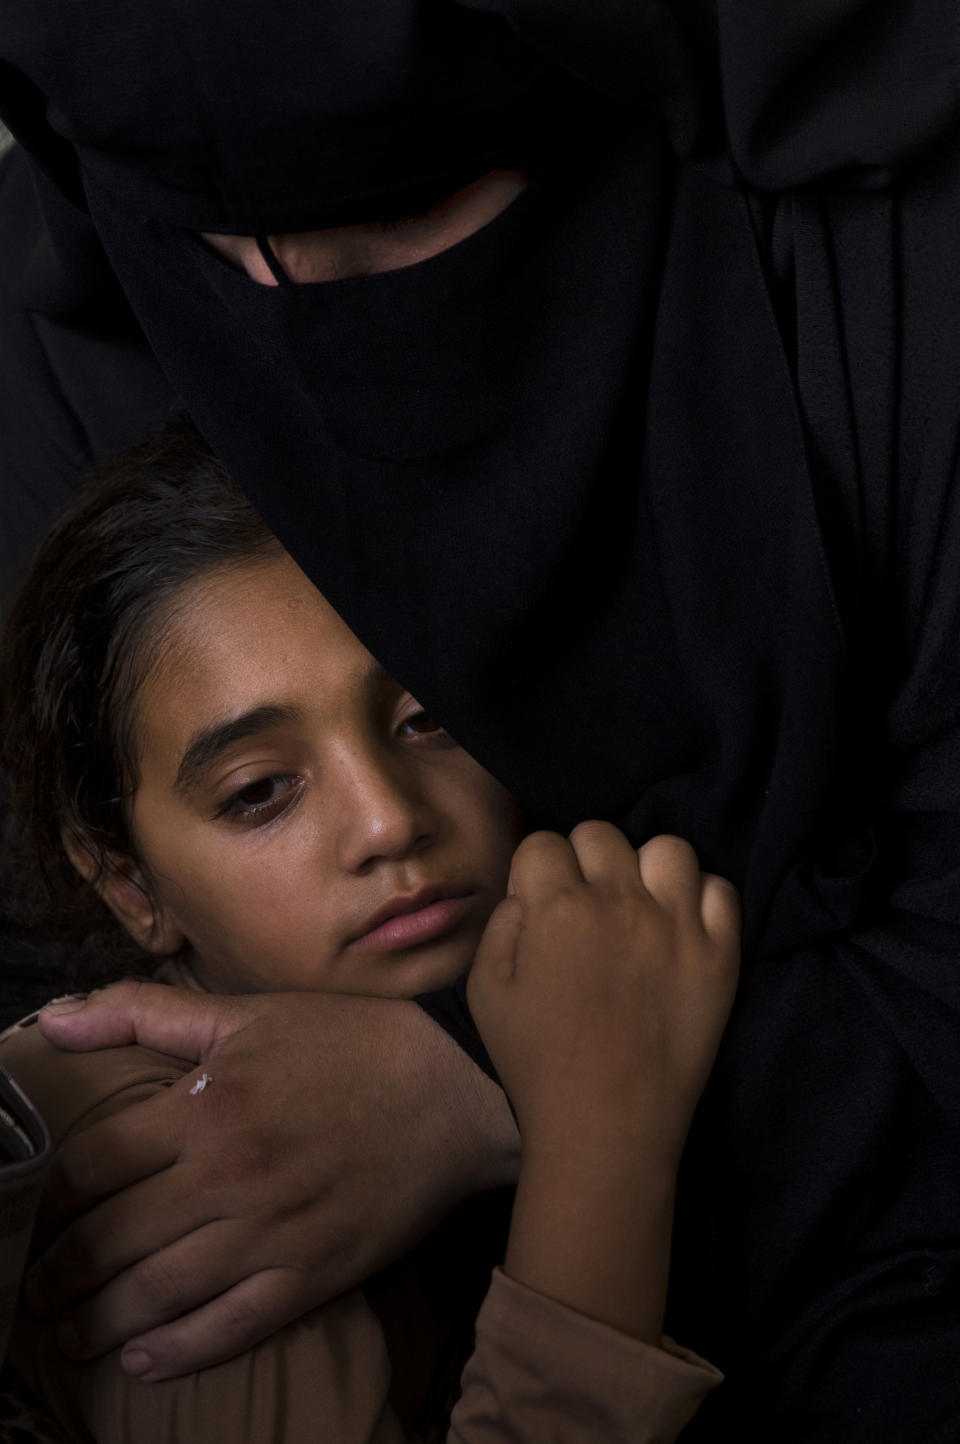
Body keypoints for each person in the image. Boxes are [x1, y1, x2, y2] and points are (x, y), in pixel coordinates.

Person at [1, 5, 959, 1439]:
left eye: (411, 220)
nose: (309, 295)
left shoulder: (887, 275)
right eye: (233, 257)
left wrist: (478, 1088)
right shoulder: (63, 345)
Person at [0, 416, 735, 1441]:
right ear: (128, 884)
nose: (391, 819)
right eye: (261, 791)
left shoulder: (590, 922)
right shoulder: (144, 1153)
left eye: (429, 719)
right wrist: (597, 1137)